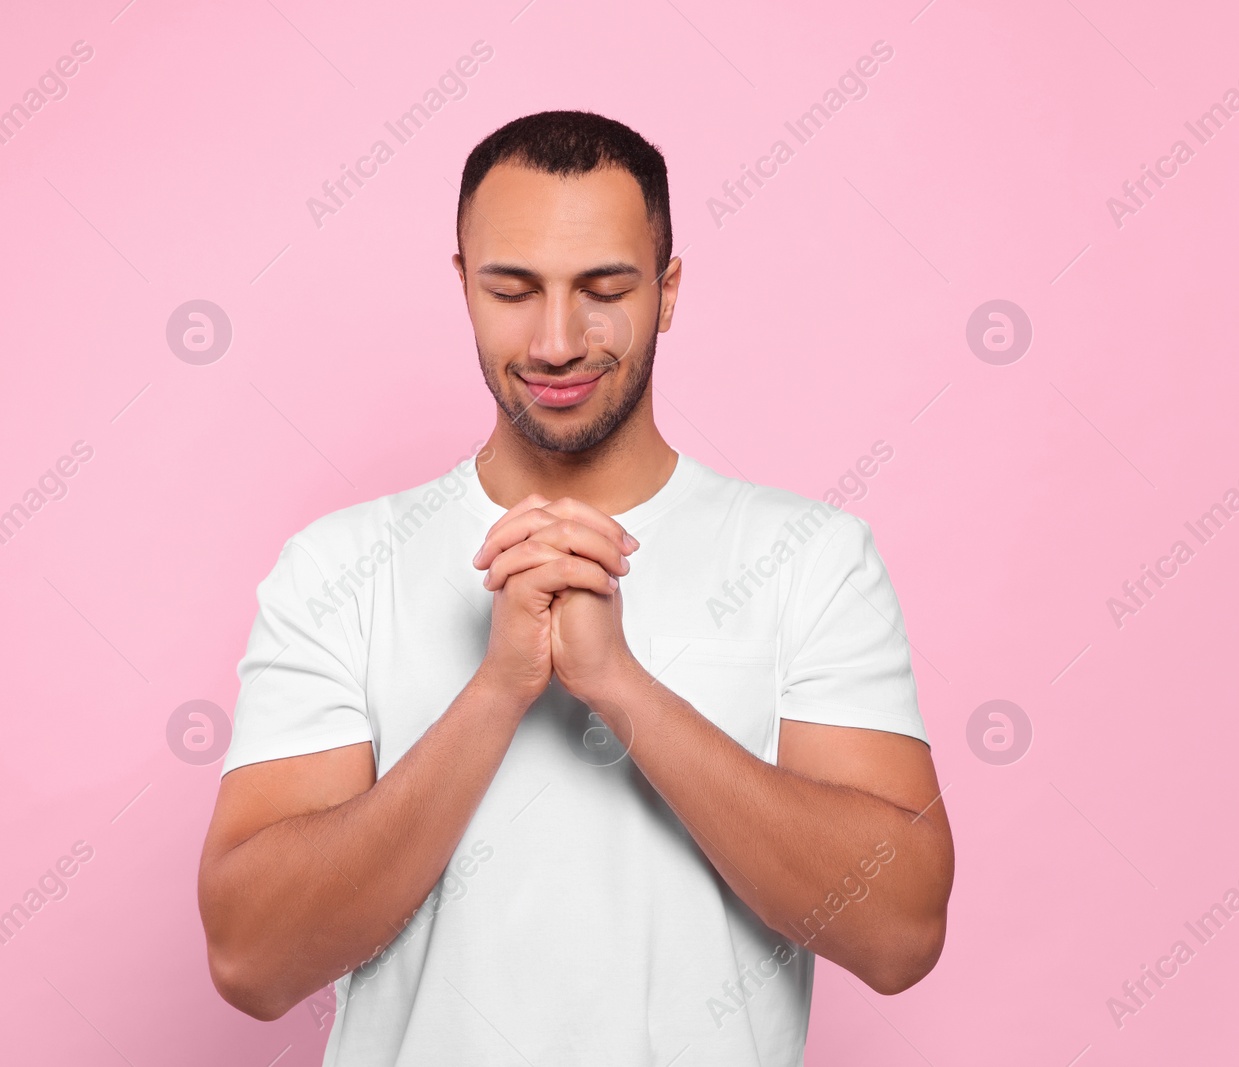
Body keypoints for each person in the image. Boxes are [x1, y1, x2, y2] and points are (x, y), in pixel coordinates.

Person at [197, 110, 954, 1066]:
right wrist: (498, 689)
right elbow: (251, 958)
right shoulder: (335, 569)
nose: (556, 341)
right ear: (463, 287)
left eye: (603, 290)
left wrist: (621, 685)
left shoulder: (810, 557)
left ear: (669, 291)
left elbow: (899, 933)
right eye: (512, 289)